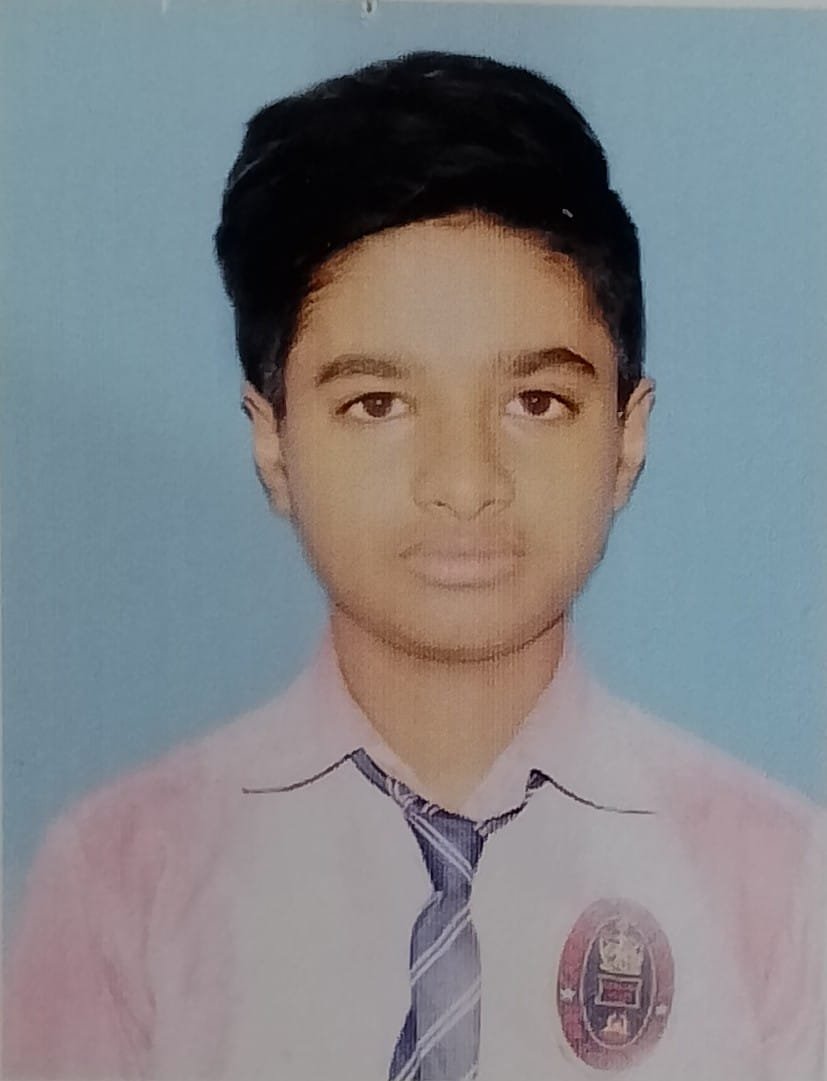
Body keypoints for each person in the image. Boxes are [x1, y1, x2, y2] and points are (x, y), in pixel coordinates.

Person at [4, 51, 823, 1081]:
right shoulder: (124, 880)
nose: (462, 481)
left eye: (535, 402)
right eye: (377, 405)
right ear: (273, 443)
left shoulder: (775, 883)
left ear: (626, 436)